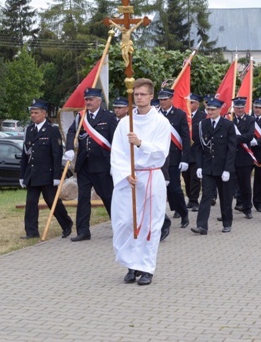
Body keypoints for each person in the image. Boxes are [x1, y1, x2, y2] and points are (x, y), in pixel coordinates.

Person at [111, 78, 170, 286]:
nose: (139, 98)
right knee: (126, 221)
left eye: (143, 94)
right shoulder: (125, 122)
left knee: (149, 224)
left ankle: (146, 267)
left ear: (151, 96)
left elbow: (162, 151)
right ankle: (131, 264)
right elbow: (116, 151)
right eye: (136, 94)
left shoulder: (161, 122)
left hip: (151, 176)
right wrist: (125, 172)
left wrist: (141, 143)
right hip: (129, 177)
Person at [64, 88, 117, 241]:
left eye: (91, 99)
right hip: (84, 164)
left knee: (107, 197)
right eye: (86, 99)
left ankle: (119, 227)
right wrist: (69, 149)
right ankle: (83, 231)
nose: (88, 102)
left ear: (99, 101)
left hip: (102, 164)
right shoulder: (80, 117)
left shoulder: (108, 117)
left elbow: (115, 141)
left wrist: (115, 162)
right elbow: (71, 133)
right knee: (83, 198)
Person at [20, 99, 73, 240]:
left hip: (47, 174)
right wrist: (22, 175)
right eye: (31, 113)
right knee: (31, 203)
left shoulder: (52, 130)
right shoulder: (29, 130)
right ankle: (31, 231)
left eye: (36, 112)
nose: (33, 115)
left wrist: (56, 175)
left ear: (44, 113)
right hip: (32, 174)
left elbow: (56, 155)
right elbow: (25, 154)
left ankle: (66, 224)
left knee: (52, 202)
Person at [192, 97, 236, 234]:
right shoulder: (202, 124)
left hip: (223, 167)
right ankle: (202, 225)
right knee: (206, 195)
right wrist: (199, 166)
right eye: (208, 109)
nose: (210, 112)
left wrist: (228, 169)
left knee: (225, 196)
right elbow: (199, 147)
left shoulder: (228, 125)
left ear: (220, 110)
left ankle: (227, 222)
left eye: (212, 109)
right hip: (208, 167)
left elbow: (231, 149)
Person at [157, 88, 190, 228]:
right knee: (160, 190)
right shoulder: (155, 114)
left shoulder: (180, 115)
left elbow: (185, 138)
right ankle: (162, 219)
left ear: (171, 99)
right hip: (158, 158)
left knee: (175, 188)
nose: (162, 102)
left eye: (165, 99)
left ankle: (183, 213)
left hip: (174, 158)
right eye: (160, 99)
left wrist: (185, 158)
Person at [231, 96, 256, 219]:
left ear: (244, 108)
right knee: (230, 186)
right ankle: (227, 210)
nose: (239, 110)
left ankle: (247, 209)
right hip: (231, 158)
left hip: (244, 158)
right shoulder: (230, 120)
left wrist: (233, 139)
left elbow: (249, 136)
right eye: (237, 108)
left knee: (245, 185)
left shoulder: (250, 120)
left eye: (241, 108)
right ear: (234, 108)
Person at [183, 93, 206, 212]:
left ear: (197, 104)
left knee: (195, 178)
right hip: (186, 151)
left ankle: (194, 200)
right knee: (186, 177)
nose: (189, 105)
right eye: (188, 102)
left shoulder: (202, 116)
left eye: (191, 102)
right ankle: (189, 198)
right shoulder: (184, 116)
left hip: (197, 150)